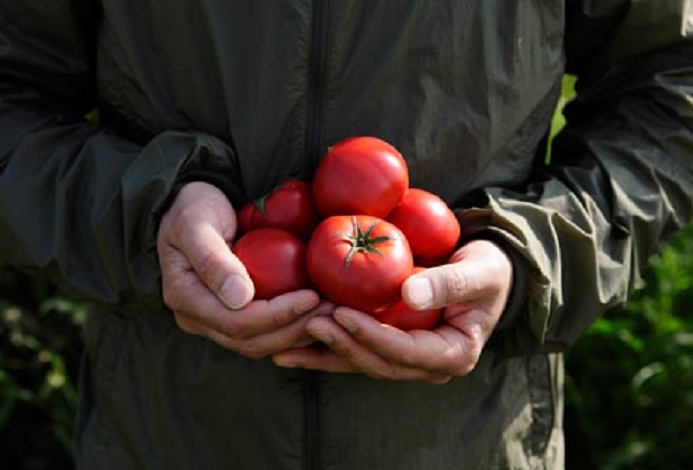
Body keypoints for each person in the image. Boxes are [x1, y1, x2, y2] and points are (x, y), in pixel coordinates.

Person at [1, 1, 691, 468]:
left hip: (469, 442)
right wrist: (143, 219)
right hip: (166, 436)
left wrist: (532, 256)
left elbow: (669, 89)